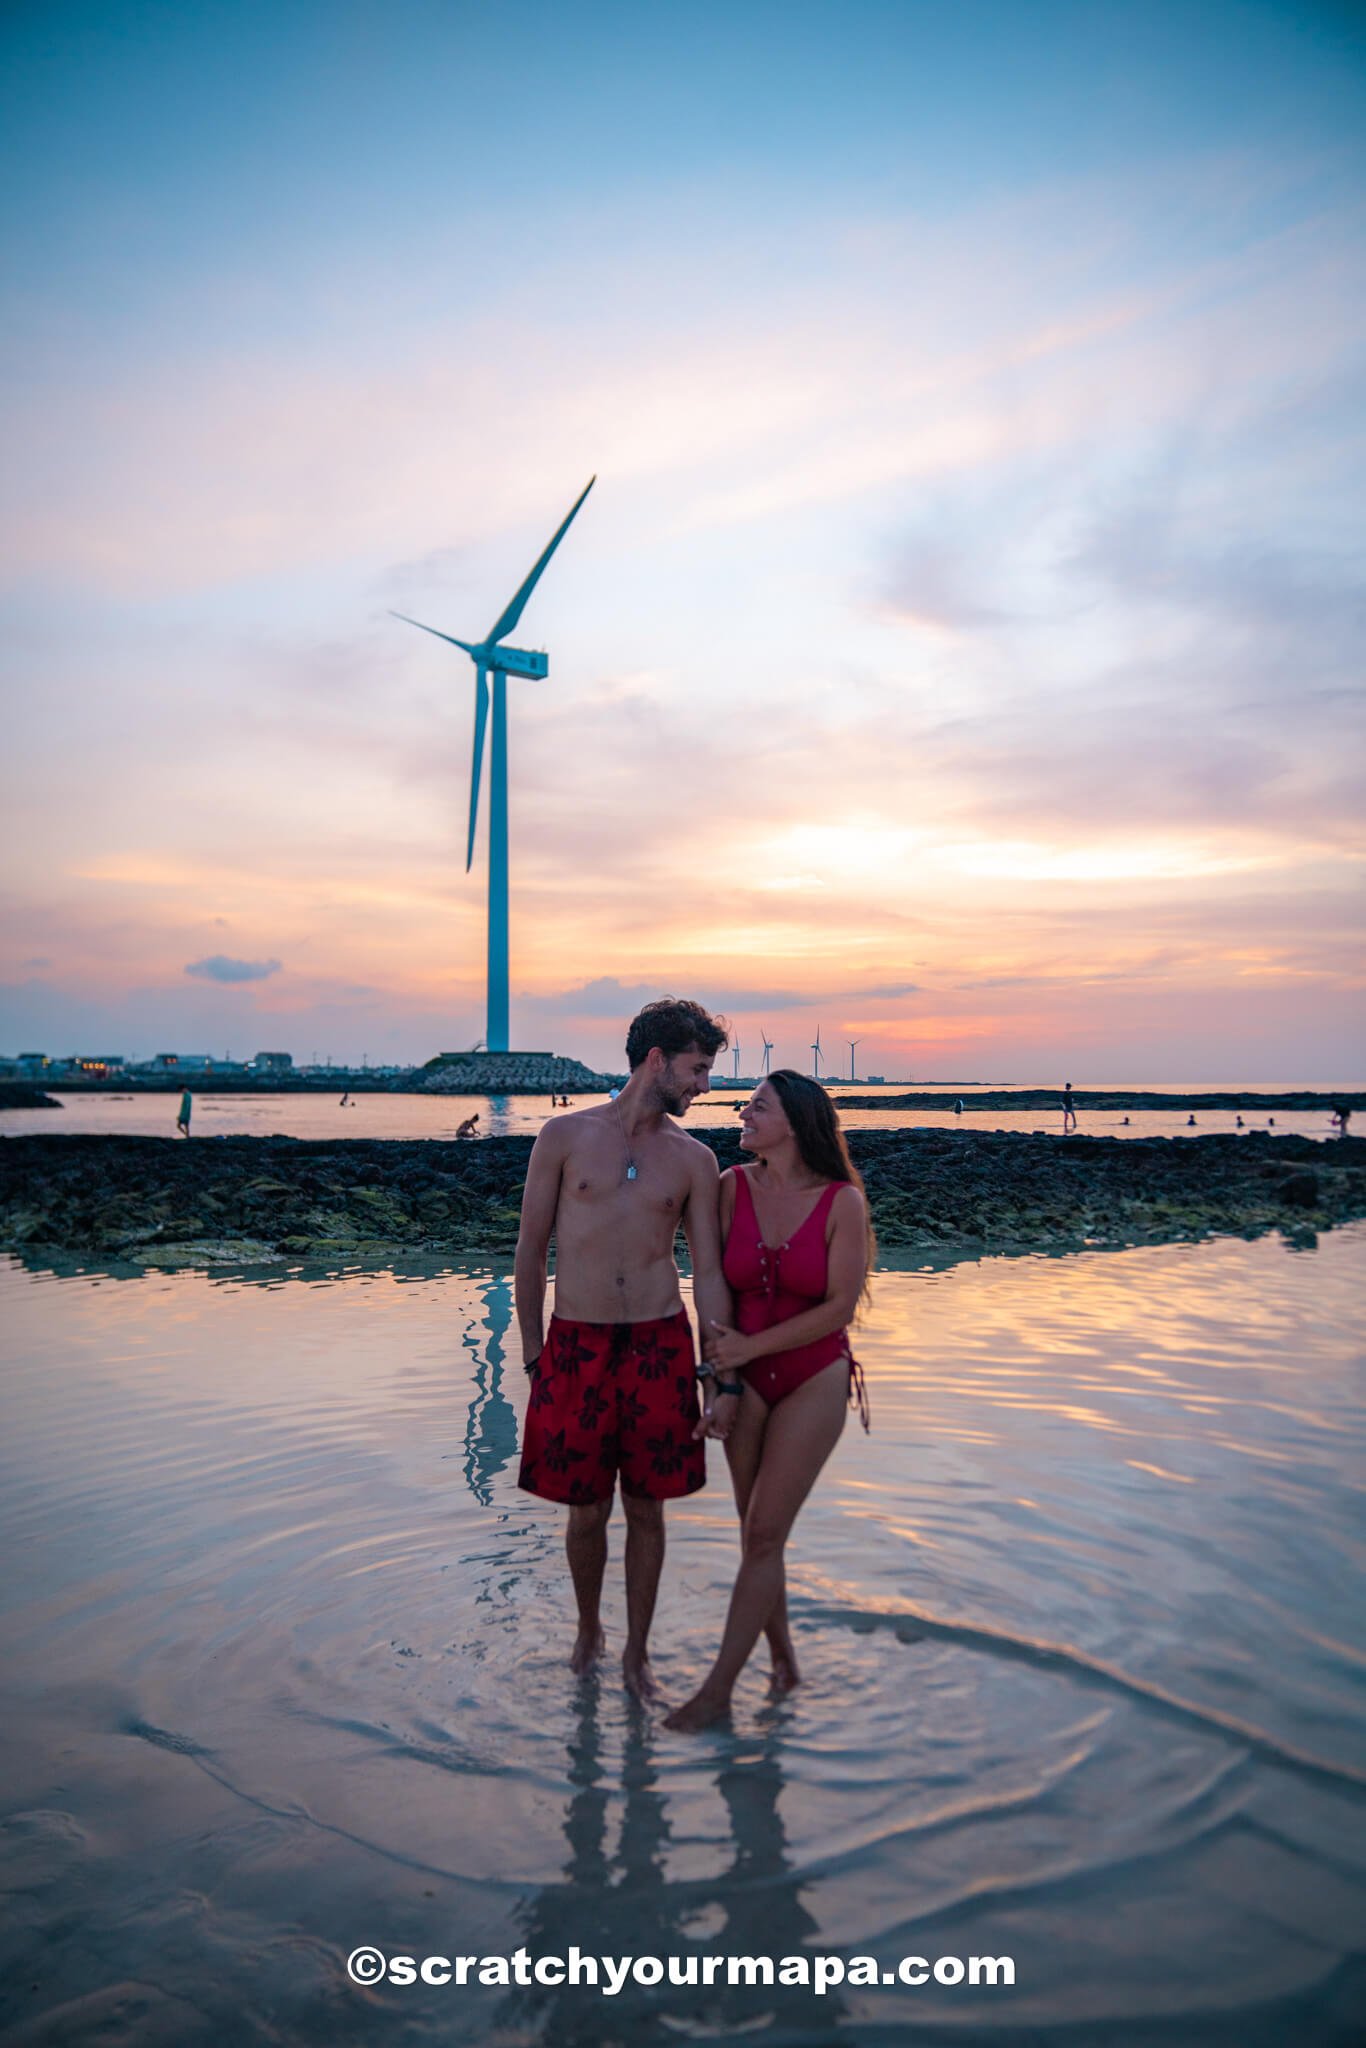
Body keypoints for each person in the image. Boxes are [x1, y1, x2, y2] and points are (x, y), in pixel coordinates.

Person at [515, 997, 732, 1698]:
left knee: (648, 1506)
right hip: (575, 1344)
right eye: (698, 1069)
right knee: (585, 1509)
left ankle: (637, 1650)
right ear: (657, 1059)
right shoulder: (563, 1136)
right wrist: (531, 1353)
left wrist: (713, 1374)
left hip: (658, 1344)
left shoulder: (695, 1159)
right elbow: (528, 1252)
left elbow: (709, 1272)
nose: (704, 1086)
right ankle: (588, 1630)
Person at [665, 1070, 872, 1732]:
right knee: (761, 1537)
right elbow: (712, 1285)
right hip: (741, 1378)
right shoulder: (730, 1188)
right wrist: (719, 1381)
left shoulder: (843, 1203)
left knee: (762, 1533)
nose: (744, 1113)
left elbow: (840, 1306)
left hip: (813, 1376)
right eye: (747, 1105)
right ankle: (785, 1664)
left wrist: (749, 1354)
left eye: (758, 1106)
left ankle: (719, 1693)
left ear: (796, 1122)